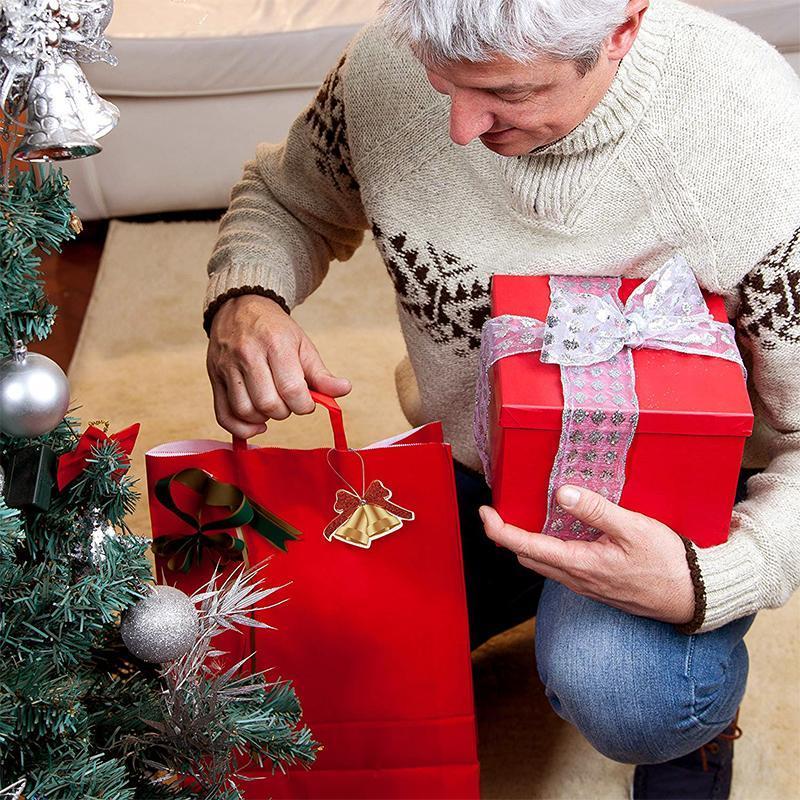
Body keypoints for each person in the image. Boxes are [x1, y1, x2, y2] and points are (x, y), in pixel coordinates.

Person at [202, 0, 800, 796]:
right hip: (470, 466)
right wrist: (248, 297)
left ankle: (690, 727)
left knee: (626, 690)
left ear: (620, 31)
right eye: (441, 81)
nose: (458, 128)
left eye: (508, 93)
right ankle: (518, 583)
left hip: (672, 510)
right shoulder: (386, 62)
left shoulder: (754, 135)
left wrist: (714, 577)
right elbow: (287, 199)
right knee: (284, 640)